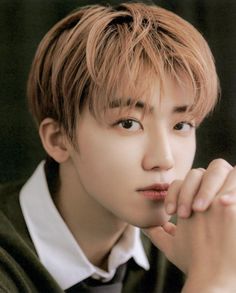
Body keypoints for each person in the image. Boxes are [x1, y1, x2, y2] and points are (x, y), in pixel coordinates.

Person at [1, 1, 236, 292]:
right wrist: (213, 283)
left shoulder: (201, 244)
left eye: (181, 125)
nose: (163, 159)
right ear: (57, 139)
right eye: (128, 123)